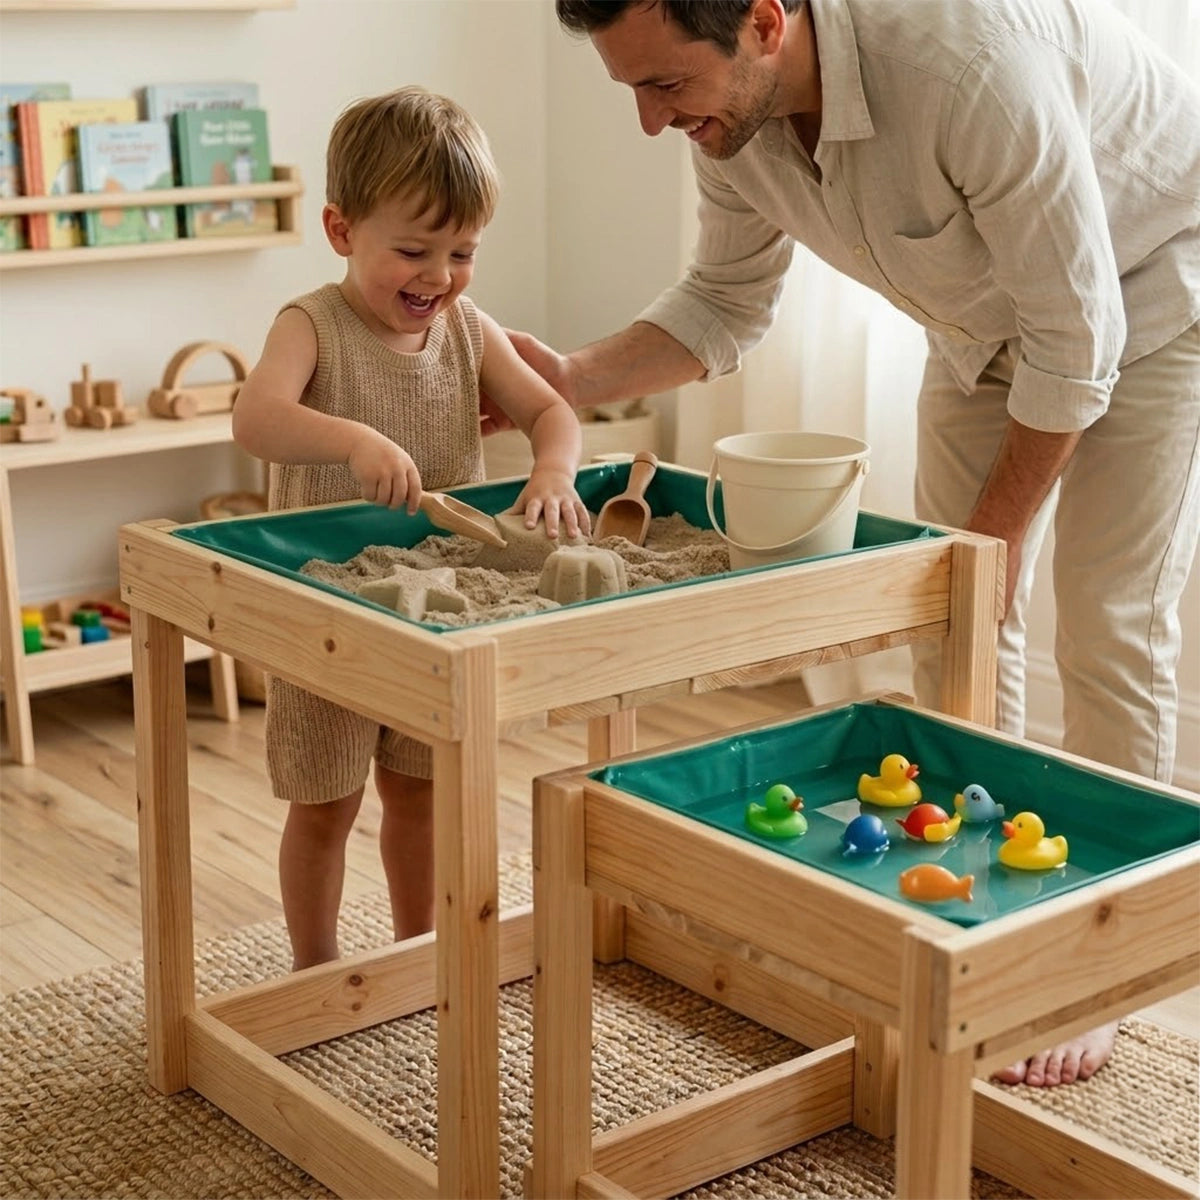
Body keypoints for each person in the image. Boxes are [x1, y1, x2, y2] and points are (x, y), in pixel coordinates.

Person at [491, 0, 1200, 1086]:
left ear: (765, 24)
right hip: (986, 325)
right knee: (955, 622)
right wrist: (571, 381)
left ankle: (1089, 970)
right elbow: (727, 302)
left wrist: (995, 537)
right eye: (631, 87)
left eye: (665, 85)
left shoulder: (971, 67)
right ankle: (976, 911)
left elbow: (1077, 333)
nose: (648, 120)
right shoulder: (727, 123)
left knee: (1103, 616)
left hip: (1150, 292)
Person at [233, 86, 589, 971]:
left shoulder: (469, 328)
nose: (438, 275)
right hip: (326, 617)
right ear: (341, 230)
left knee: (420, 797)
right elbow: (255, 419)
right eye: (413, 250)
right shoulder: (310, 324)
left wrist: (552, 469)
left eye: (461, 251)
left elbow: (553, 412)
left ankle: (416, 955)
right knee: (324, 804)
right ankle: (313, 970)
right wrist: (348, 439)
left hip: (436, 616)